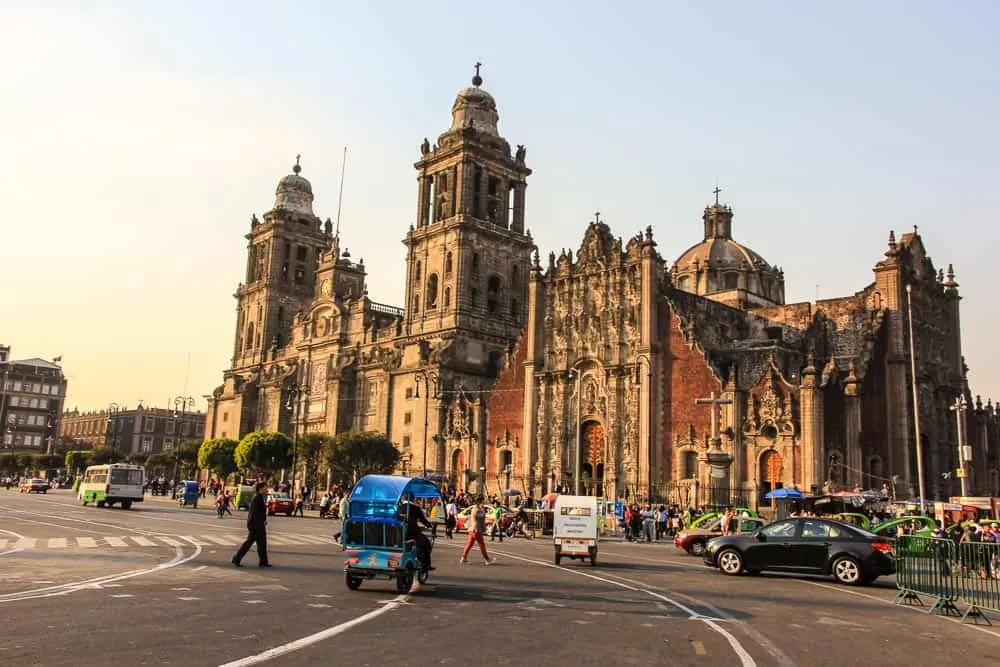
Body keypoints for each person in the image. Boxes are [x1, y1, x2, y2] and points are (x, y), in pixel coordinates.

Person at [232, 482, 271, 568]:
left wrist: (263, 521)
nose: (266, 489)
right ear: (260, 489)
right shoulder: (257, 498)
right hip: (256, 525)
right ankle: (236, 559)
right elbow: (255, 513)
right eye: (265, 488)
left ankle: (263, 562)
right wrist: (259, 523)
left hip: (258, 524)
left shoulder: (259, 498)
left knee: (262, 543)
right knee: (249, 543)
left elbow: (260, 512)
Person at [402, 493, 434, 570]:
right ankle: (425, 565)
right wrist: (429, 525)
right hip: (412, 534)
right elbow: (423, 520)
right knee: (426, 544)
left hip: (398, 534)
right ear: (413, 499)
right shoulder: (416, 508)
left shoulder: (399, 507)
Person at [460, 497, 495, 565]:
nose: (483, 503)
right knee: (481, 545)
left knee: (470, 544)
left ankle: (463, 557)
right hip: (476, 529)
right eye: (482, 502)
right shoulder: (476, 510)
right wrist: (483, 511)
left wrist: (482, 510)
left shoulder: (477, 509)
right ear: (479, 502)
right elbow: (480, 517)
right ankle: (487, 559)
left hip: (473, 529)